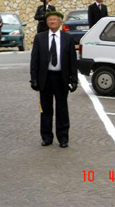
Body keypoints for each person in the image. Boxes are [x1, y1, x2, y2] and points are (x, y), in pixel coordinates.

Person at [30, 11, 78, 148]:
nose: (52, 22)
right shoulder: (40, 38)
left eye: (55, 19)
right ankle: (46, 137)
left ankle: (63, 137)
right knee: (45, 109)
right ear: (46, 22)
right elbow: (34, 60)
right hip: (45, 78)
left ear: (60, 22)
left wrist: (74, 80)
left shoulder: (68, 38)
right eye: (50, 19)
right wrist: (33, 79)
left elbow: (73, 61)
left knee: (62, 109)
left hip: (61, 78)